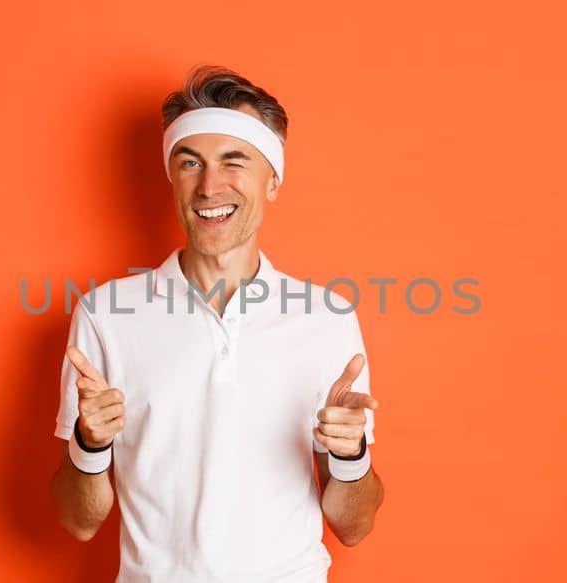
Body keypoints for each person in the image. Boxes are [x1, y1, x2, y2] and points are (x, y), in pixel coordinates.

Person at [47, 64, 384, 582]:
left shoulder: (328, 319)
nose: (209, 186)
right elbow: (78, 521)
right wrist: (89, 446)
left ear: (272, 181)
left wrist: (351, 455)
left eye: (235, 162)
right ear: (172, 177)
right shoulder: (105, 314)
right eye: (190, 163)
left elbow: (354, 527)